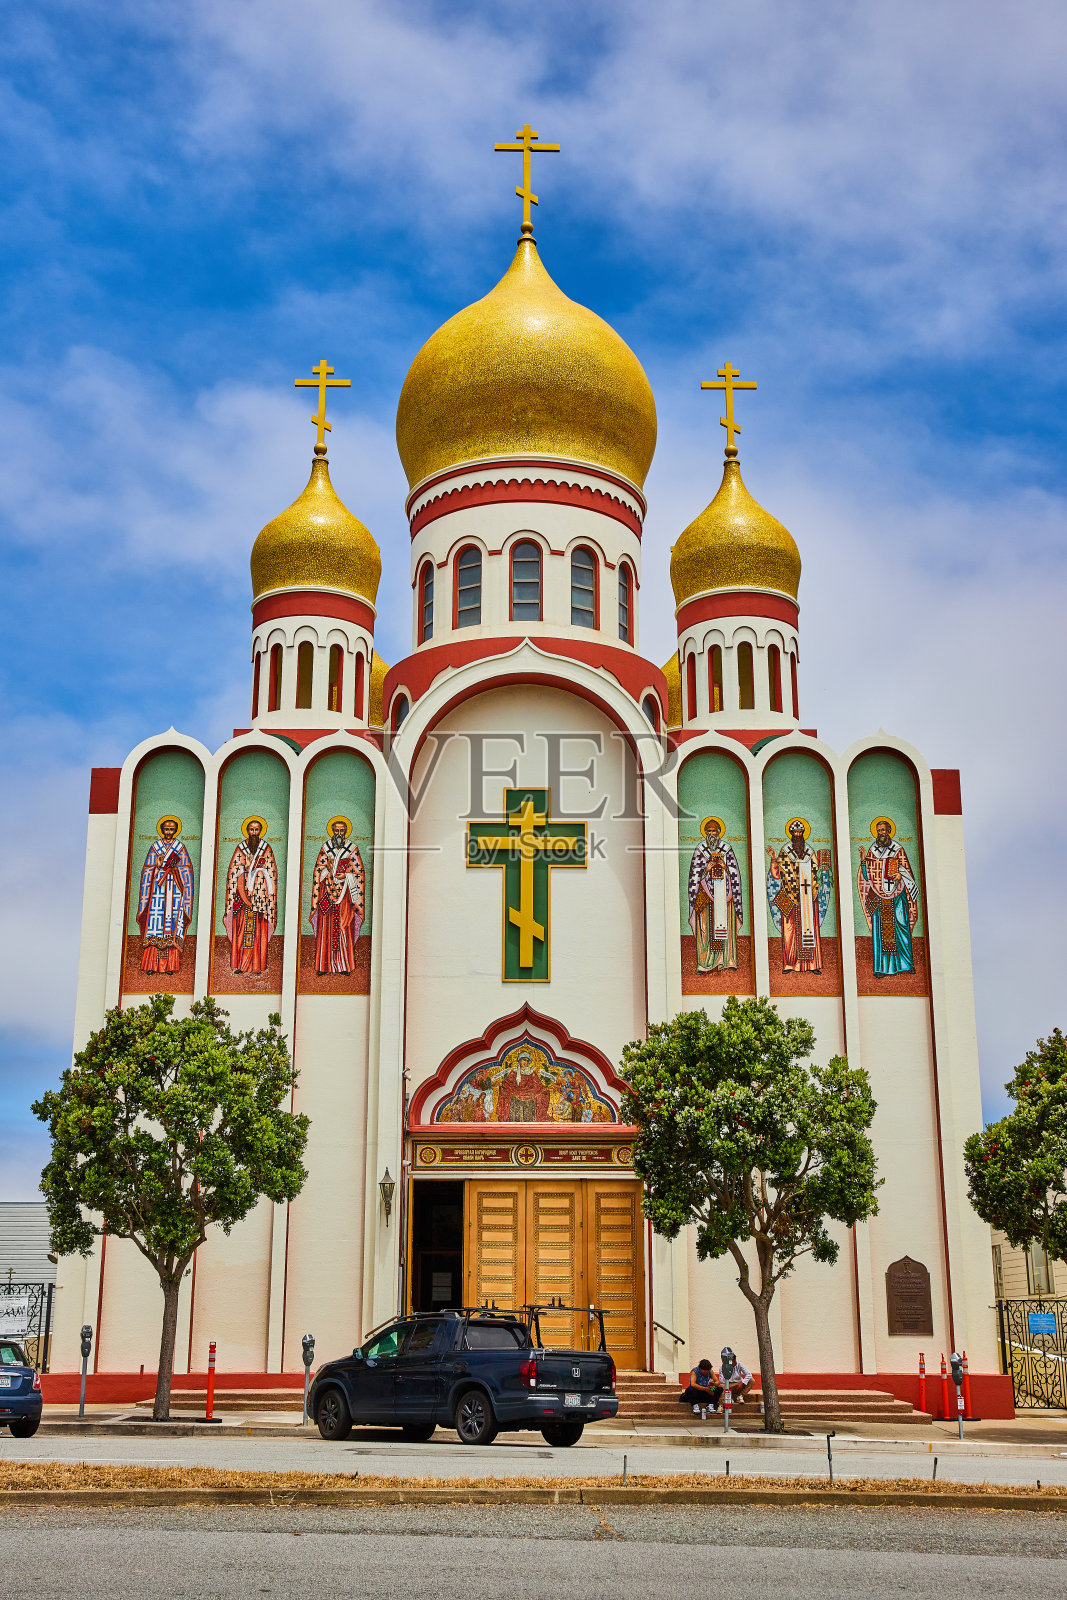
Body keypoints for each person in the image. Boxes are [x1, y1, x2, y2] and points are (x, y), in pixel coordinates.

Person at [309, 818, 366, 974]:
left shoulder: (352, 849)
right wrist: (328, 871)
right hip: (327, 894)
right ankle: (323, 966)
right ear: (332, 831)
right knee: (325, 928)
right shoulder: (326, 848)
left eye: (342, 831)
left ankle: (344, 966)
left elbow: (359, 873)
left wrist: (346, 875)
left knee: (344, 927)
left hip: (345, 897)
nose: (339, 834)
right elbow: (317, 871)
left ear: (345, 832)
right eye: (336, 831)